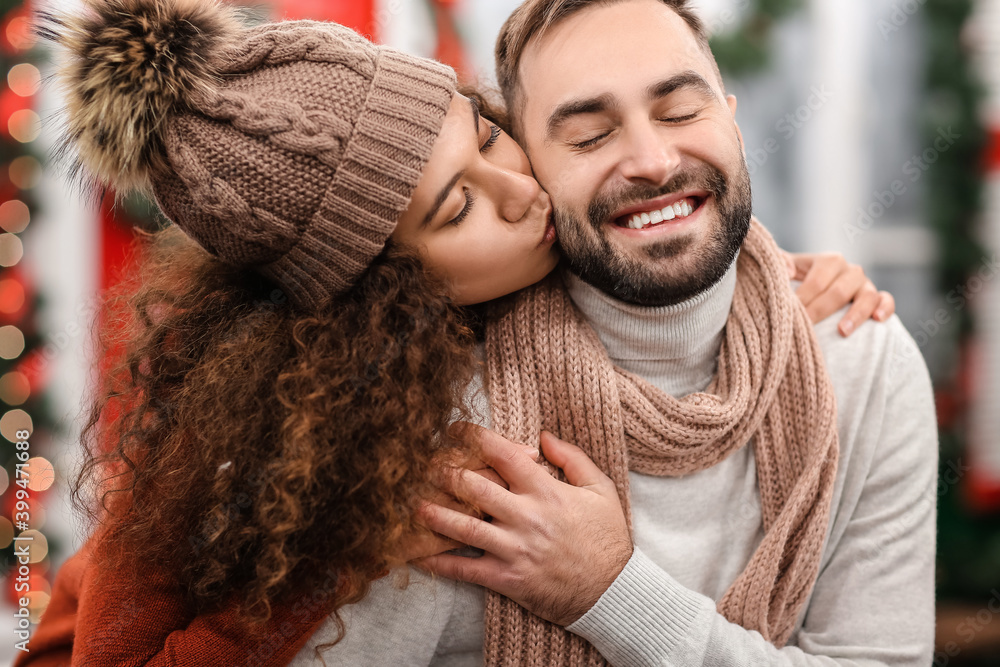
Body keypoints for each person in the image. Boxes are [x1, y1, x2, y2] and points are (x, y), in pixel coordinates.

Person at [18, 0, 898, 665]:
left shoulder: (531, 280)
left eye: (486, 135)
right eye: (459, 205)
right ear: (384, 293)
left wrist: (773, 281)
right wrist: (334, 564)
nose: (521, 189)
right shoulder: (264, 450)